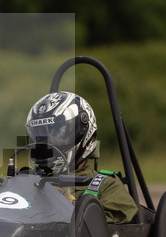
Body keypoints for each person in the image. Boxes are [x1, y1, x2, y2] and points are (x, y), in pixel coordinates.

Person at [25, 91, 137, 224]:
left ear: (83, 134)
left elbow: (103, 230)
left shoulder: (106, 185)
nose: (46, 143)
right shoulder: (25, 179)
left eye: (56, 133)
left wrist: (69, 206)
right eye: (40, 134)